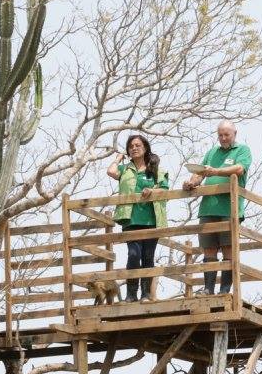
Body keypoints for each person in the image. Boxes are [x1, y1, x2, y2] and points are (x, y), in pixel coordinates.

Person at [182, 120, 252, 295]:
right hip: (208, 209)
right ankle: (208, 289)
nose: (223, 138)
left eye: (226, 134)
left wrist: (216, 171)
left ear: (235, 134)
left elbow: (239, 169)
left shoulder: (242, 150)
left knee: (228, 248)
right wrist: (191, 183)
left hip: (229, 209)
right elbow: (200, 173)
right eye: (220, 135)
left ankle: (225, 290)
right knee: (209, 249)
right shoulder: (212, 152)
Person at [105, 133, 168, 301]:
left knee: (148, 256)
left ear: (145, 148)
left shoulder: (155, 169)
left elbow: (165, 190)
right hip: (130, 219)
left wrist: (152, 191)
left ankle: (146, 294)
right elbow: (110, 171)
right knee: (133, 255)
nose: (134, 148)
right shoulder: (125, 169)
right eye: (131, 146)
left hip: (151, 219)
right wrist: (119, 158)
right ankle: (131, 294)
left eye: (137, 145)